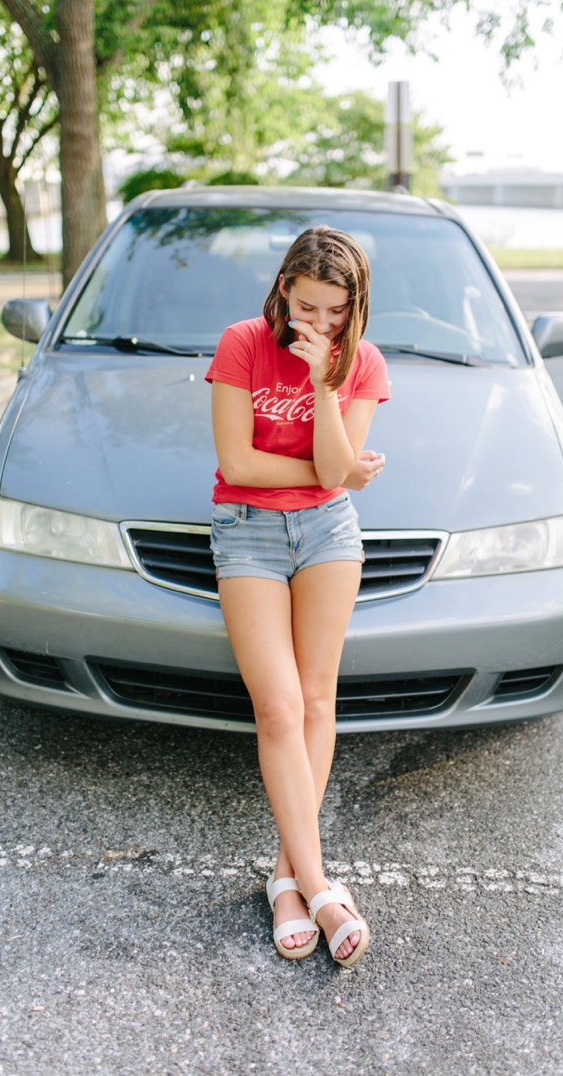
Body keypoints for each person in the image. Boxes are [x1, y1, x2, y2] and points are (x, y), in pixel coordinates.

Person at [207, 225, 390, 966]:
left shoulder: (362, 365)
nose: (319, 324)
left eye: (334, 312)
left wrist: (321, 383)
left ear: (355, 306)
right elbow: (238, 463)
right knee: (278, 706)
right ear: (285, 288)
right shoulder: (243, 343)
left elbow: (335, 478)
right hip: (247, 530)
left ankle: (286, 881)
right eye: (307, 307)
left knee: (317, 701)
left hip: (328, 534)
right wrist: (335, 469)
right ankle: (318, 882)